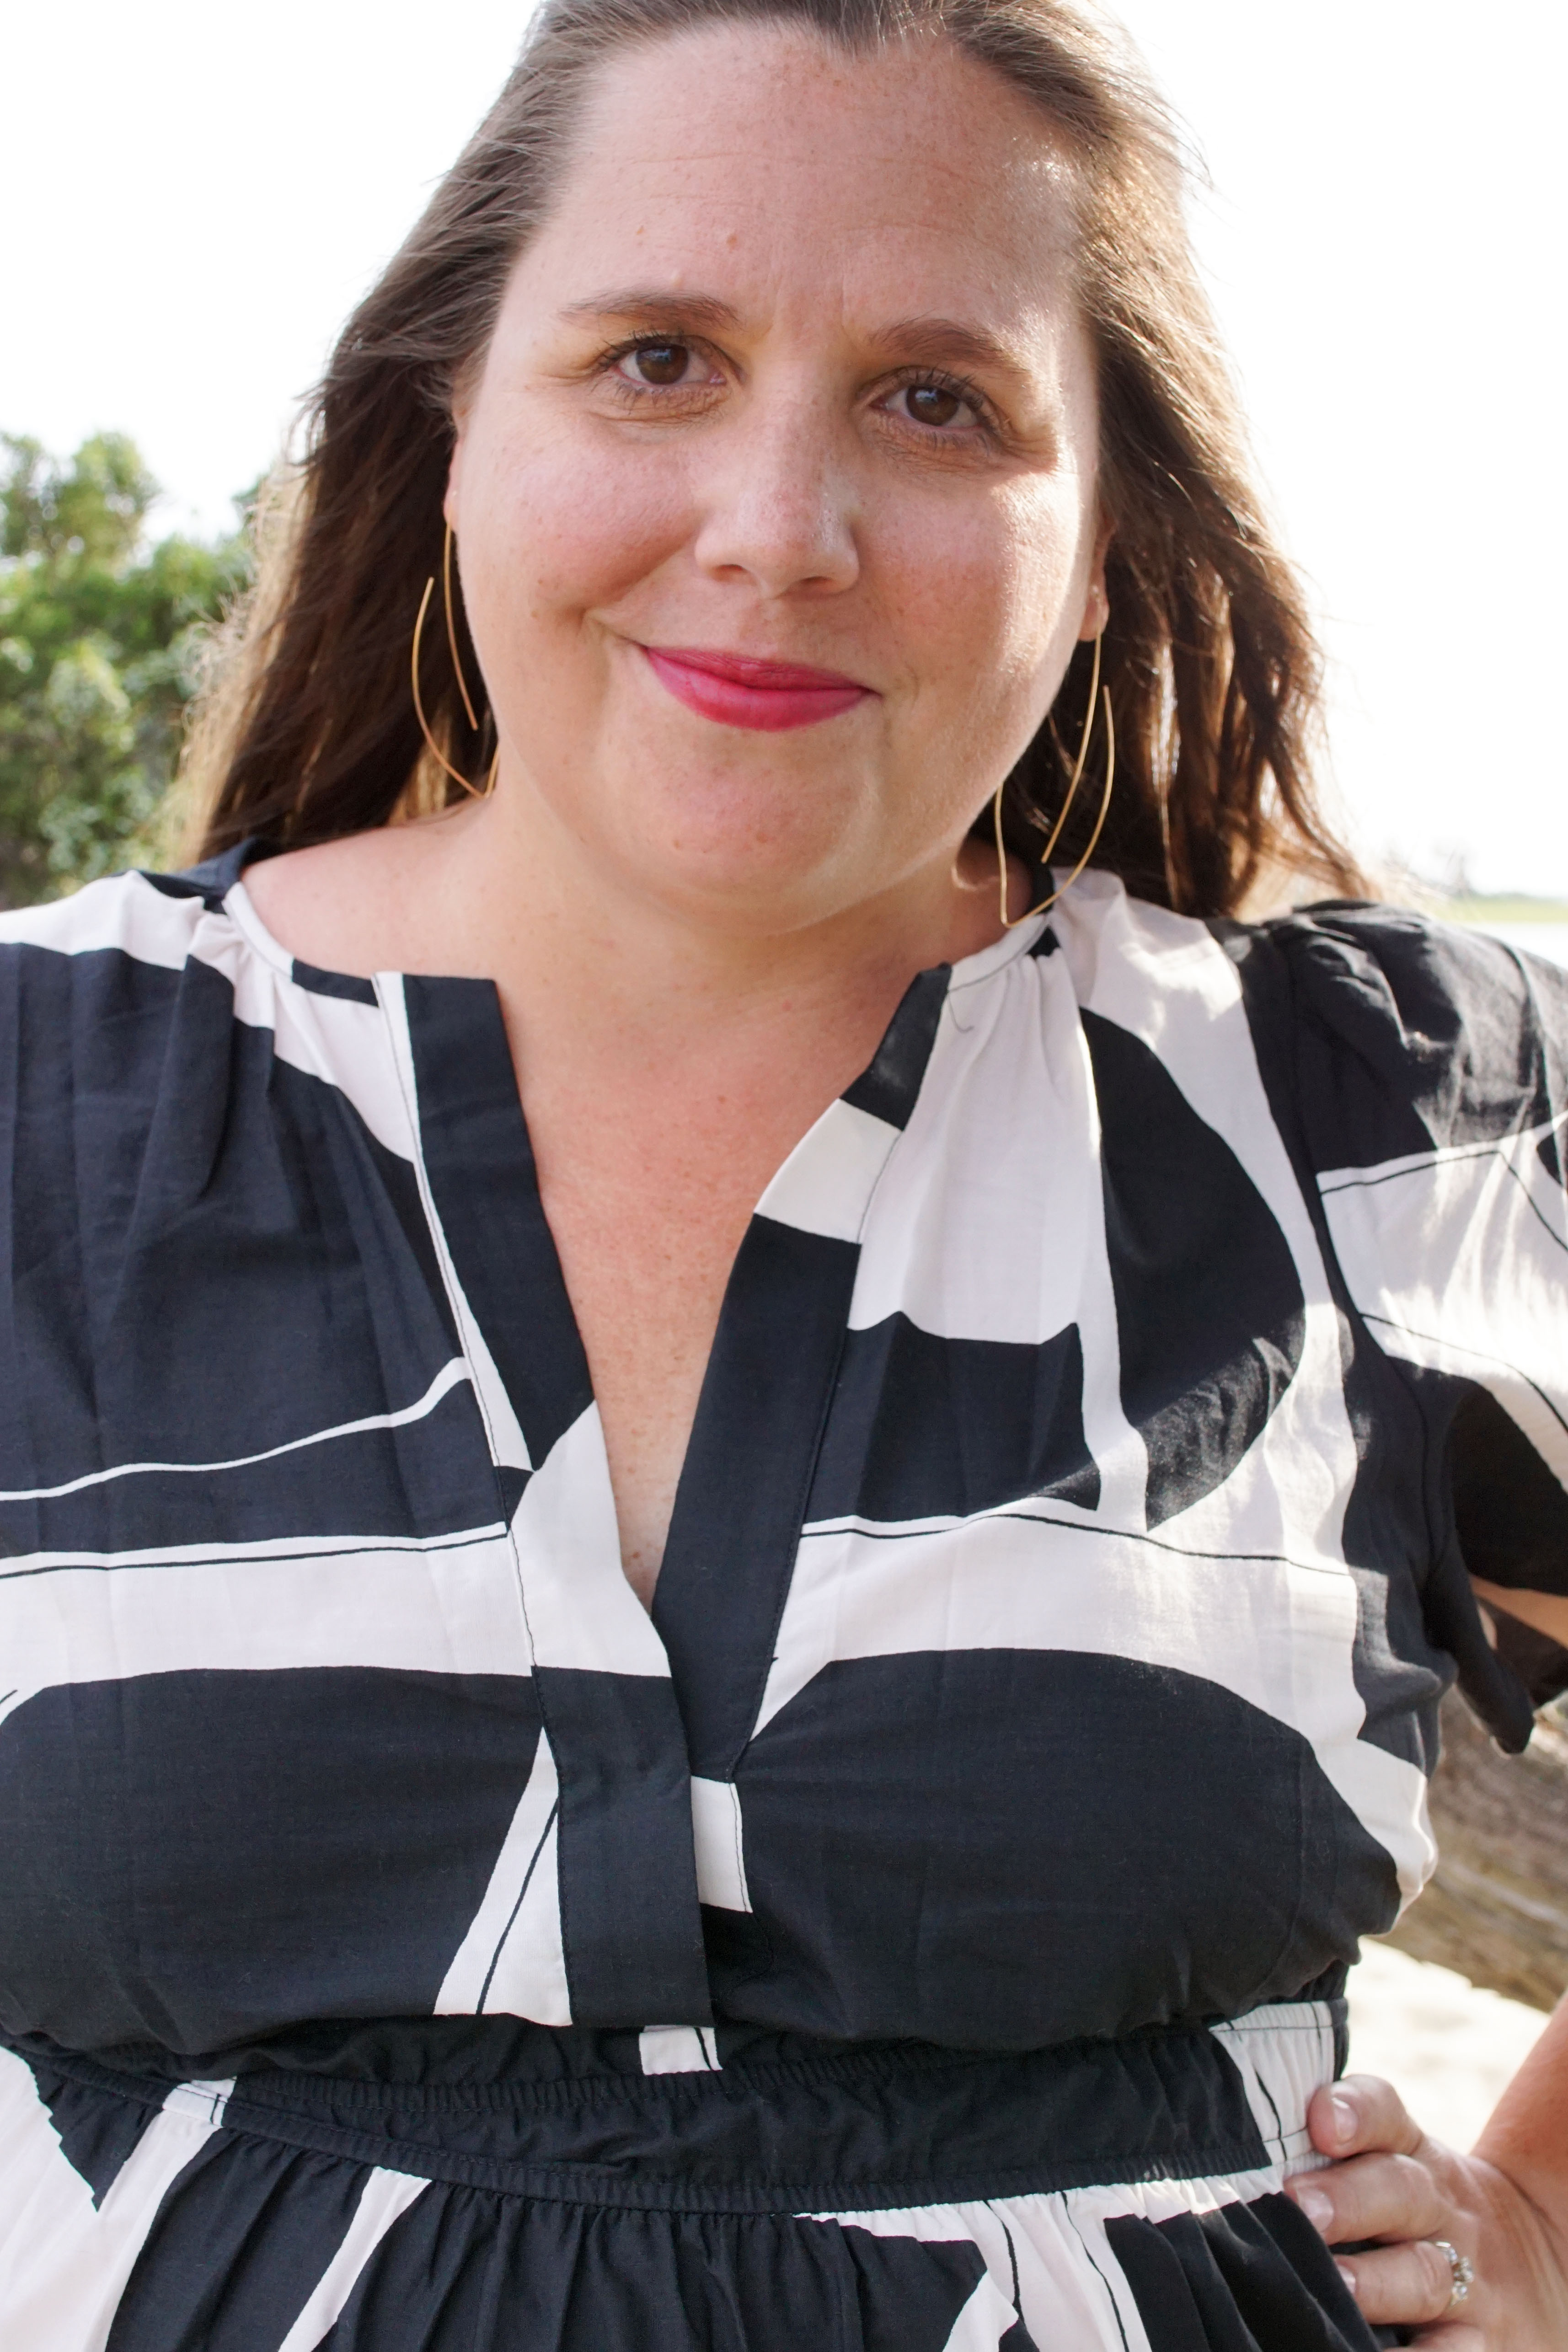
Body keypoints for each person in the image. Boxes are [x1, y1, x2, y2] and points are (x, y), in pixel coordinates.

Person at [1, 0, 1565, 2343]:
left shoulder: (1374, 1114)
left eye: (940, 399)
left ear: (1109, 537)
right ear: (451, 431)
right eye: (655, 359)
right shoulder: (36, 1086)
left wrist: (1545, 2225)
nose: (778, 531)